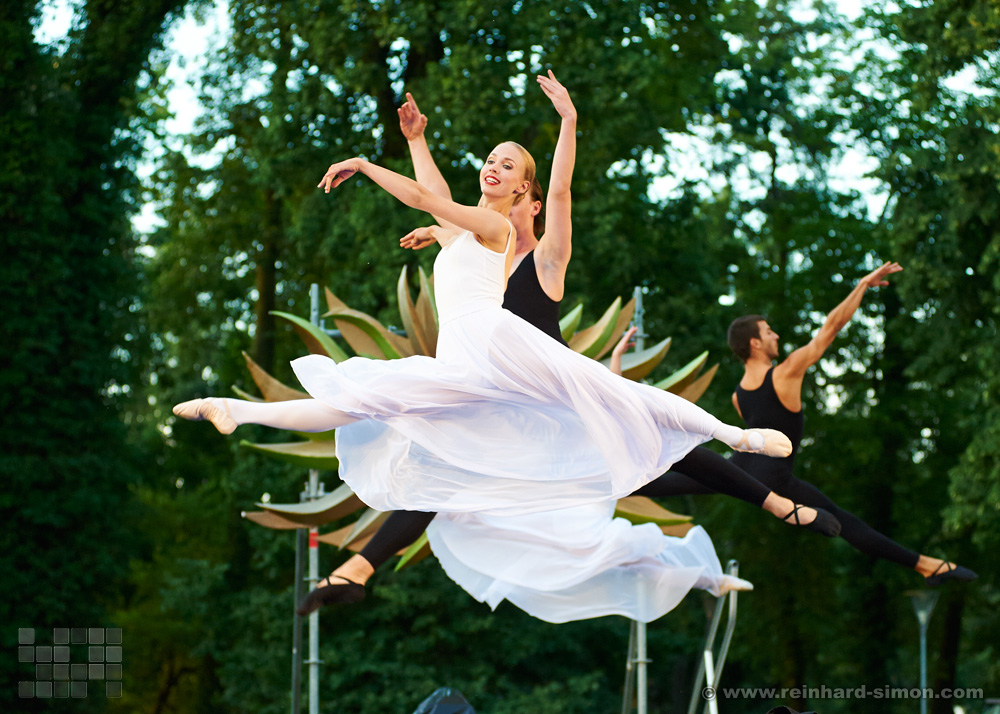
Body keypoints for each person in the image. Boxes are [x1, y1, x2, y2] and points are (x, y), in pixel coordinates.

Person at [173, 79, 832, 622]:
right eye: (491, 159)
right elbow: (436, 199)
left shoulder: (516, 241)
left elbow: (462, 198)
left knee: (638, 412)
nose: (494, 167)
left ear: (526, 195)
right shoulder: (467, 231)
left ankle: (743, 447)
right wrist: (417, 141)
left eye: (509, 165)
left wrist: (565, 122)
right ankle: (236, 412)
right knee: (370, 400)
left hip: (525, 371)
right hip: (475, 375)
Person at [638, 263, 977, 587]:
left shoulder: (738, 396)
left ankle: (614, 473)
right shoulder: (786, 373)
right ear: (755, 343)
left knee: (663, 481)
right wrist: (862, 285)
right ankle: (925, 566)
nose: (776, 336)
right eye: (768, 332)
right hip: (771, 477)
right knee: (845, 524)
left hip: (739, 470)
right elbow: (830, 328)